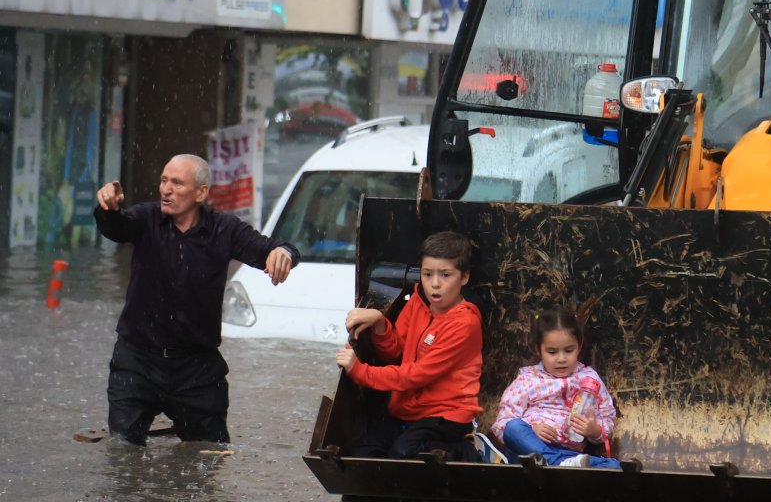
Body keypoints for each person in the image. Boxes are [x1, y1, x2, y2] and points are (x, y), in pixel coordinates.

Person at [94, 154, 299, 444]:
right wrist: (108, 208)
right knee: (123, 453)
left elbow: (273, 248)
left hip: (197, 368)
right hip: (137, 361)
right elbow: (116, 227)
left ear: (201, 192)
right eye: (164, 181)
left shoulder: (224, 229)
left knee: (210, 455)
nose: (166, 189)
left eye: (177, 183)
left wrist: (283, 253)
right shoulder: (146, 219)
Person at [337, 231, 483, 459]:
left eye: (446, 275)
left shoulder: (465, 323)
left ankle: (468, 451)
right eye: (427, 274)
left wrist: (360, 372)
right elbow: (394, 352)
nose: (435, 284)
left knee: (404, 453)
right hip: (408, 411)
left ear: (464, 277)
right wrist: (380, 324)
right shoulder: (418, 300)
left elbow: (417, 375)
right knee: (363, 453)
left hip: (447, 415)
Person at [492, 306, 621, 468]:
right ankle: (556, 462)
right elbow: (502, 423)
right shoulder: (528, 379)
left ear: (579, 346)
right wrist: (532, 430)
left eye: (568, 350)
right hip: (527, 454)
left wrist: (594, 430)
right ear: (539, 350)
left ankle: (558, 462)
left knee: (614, 467)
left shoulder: (589, 379)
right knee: (513, 428)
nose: (561, 359)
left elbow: (608, 419)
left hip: (571, 456)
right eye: (552, 352)